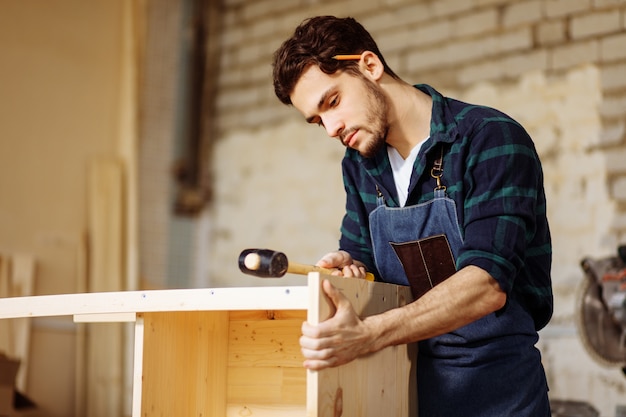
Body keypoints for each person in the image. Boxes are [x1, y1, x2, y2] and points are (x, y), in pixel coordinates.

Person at [272, 15, 553, 417]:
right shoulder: (360, 165)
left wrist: (368, 335)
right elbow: (362, 258)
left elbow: (487, 284)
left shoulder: (489, 138)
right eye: (317, 120)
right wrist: (350, 268)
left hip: (499, 393)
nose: (331, 128)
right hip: (404, 388)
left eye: (332, 102)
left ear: (370, 66)